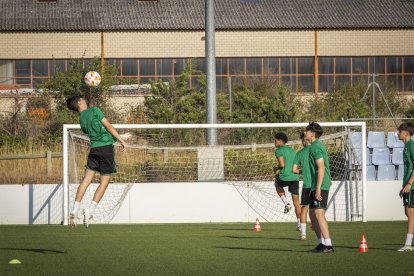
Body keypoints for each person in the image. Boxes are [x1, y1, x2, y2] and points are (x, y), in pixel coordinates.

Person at [66, 95, 126, 228]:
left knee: (86, 180)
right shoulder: (94, 110)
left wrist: (119, 137)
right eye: (84, 99)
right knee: (104, 183)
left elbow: (100, 132)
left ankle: (75, 209)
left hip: (93, 150)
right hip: (106, 149)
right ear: (80, 102)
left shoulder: (81, 120)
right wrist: (121, 140)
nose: (85, 100)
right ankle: (90, 210)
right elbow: (108, 126)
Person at [305, 122, 334, 253]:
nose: (305, 133)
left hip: (320, 185)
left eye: (307, 131)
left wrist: (318, 188)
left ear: (312, 133)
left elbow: (321, 168)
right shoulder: (313, 146)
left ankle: (328, 245)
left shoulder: (316, 147)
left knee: (319, 213)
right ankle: (321, 243)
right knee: (312, 214)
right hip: (314, 184)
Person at [274, 132, 301, 230]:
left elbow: (282, 165)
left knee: (277, 184)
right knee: (297, 203)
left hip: (284, 176)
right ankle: (299, 224)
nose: (274, 142)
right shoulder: (292, 151)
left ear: (280, 141)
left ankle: (286, 203)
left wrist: (276, 169)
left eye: (275, 140)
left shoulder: (278, 150)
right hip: (294, 177)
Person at [397, 122, 414, 252]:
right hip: (408, 185)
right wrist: (404, 186)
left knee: (410, 213)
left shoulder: (412, 145)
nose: (398, 133)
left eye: (400, 131)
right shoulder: (406, 146)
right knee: (407, 213)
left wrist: (409, 184)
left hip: (412, 186)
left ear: (406, 133)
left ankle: (408, 245)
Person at [292, 132, 312, 241]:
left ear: (304, 141)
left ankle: (303, 234)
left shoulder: (299, 153)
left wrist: (302, 170)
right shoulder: (316, 150)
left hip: (306, 185)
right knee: (318, 210)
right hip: (318, 185)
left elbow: (294, 170)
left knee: (305, 209)